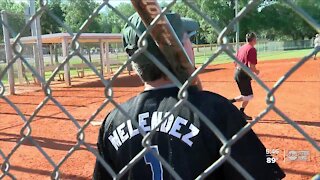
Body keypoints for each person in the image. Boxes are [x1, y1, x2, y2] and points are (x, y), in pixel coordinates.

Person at [93, 13, 285, 180]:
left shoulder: (113, 122)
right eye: (188, 39)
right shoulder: (216, 111)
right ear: (178, 49)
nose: (191, 45)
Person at [229, 32, 260, 120]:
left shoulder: (242, 48)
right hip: (243, 74)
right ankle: (229, 102)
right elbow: (251, 66)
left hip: (238, 72)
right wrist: (256, 72)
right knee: (248, 96)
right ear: (253, 40)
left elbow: (235, 62)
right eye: (256, 39)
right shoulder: (252, 49)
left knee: (247, 95)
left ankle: (241, 111)